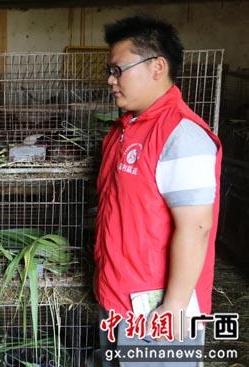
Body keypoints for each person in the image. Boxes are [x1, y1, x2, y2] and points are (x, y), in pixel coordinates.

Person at [93, 16, 222, 366]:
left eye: (118, 69)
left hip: (157, 314)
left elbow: (196, 227)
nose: (111, 80)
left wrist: (175, 307)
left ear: (157, 67)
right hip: (119, 298)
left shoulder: (182, 135)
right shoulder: (124, 131)